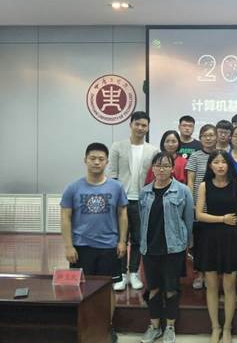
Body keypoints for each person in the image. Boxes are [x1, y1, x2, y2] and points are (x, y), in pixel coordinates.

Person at [60, 142, 128, 343]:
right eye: (92, 158)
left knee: (107, 290)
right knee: (80, 289)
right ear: (85, 160)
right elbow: (65, 217)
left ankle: (107, 326)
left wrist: (122, 241)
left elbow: (122, 215)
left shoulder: (116, 187)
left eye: (101, 159)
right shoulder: (73, 188)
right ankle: (84, 327)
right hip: (81, 248)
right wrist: (68, 245)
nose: (96, 162)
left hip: (108, 247)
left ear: (107, 162)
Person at [139, 152, 194, 343]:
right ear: (152, 168)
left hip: (173, 248)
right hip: (150, 248)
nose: (161, 169)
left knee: (171, 289)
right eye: (157, 165)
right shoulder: (145, 192)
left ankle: (170, 327)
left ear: (172, 168)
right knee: (153, 289)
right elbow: (142, 220)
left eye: (165, 165)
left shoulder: (182, 191)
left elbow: (188, 219)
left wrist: (188, 243)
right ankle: (154, 327)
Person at [195, 150, 237, 343]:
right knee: (211, 286)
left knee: (229, 286)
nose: (220, 165)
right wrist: (222, 219)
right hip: (210, 238)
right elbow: (199, 215)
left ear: (228, 164)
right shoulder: (204, 185)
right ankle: (215, 327)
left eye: (223, 162)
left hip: (232, 238)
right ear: (210, 165)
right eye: (216, 162)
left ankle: (227, 328)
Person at [108, 111, 159, 291]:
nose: (140, 128)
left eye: (144, 125)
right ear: (130, 124)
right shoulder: (117, 146)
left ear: (148, 127)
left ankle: (134, 273)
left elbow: (154, 177)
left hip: (142, 200)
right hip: (121, 200)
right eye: (137, 124)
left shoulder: (153, 150)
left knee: (138, 238)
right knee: (120, 238)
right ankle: (121, 274)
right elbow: (112, 175)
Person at [186, 124, 217, 289]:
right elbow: (190, 181)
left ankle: (212, 275)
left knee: (213, 244)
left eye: (211, 135)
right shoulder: (195, 156)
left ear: (216, 137)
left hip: (216, 207)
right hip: (198, 207)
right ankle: (199, 275)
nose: (208, 138)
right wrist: (192, 203)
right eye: (205, 135)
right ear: (200, 138)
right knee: (198, 244)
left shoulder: (220, 156)